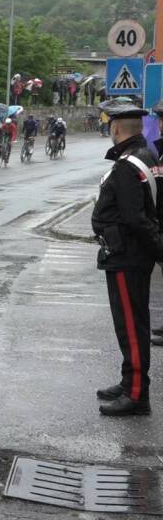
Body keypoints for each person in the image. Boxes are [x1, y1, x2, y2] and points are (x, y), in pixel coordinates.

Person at [92, 104, 163, 416]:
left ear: (117, 129)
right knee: (132, 324)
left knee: (131, 327)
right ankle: (128, 380)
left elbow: (136, 218)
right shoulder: (147, 156)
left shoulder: (126, 166)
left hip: (126, 255)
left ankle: (136, 395)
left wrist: (158, 249)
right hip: (131, 254)